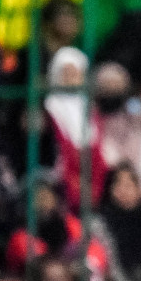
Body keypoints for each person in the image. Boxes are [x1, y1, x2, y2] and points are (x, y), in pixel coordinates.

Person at [44, 47, 109, 213]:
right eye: (65, 72)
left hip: (94, 183)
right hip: (62, 184)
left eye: (76, 73)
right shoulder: (49, 108)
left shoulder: (92, 110)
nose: (70, 78)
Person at [94, 62, 141, 202]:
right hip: (103, 190)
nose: (112, 90)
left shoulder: (134, 113)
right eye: (107, 85)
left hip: (137, 190)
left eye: (116, 85)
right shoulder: (91, 119)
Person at [91, 164, 141, 281]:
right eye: (118, 184)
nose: (123, 190)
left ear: (139, 190)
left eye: (129, 185)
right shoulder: (100, 224)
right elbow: (110, 269)